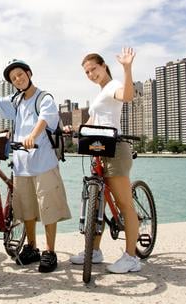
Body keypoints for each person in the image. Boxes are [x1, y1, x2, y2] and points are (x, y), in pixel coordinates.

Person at [0, 59, 71, 273]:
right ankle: (32, 247)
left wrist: (32, 135)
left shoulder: (44, 98)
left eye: (20, 75)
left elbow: (44, 119)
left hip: (43, 162)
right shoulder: (16, 100)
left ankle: (50, 251)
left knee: (48, 206)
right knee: (26, 208)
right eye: (13, 79)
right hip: (21, 164)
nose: (18, 80)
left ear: (29, 73)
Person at [67, 47, 142, 274]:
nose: (91, 74)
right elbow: (92, 121)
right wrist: (73, 128)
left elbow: (127, 96)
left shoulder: (112, 86)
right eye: (87, 72)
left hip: (115, 149)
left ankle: (131, 257)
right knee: (96, 202)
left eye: (94, 69)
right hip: (98, 149)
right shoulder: (100, 92)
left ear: (104, 66)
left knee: (124, 205)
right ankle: (95, 251)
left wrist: (127, 68)